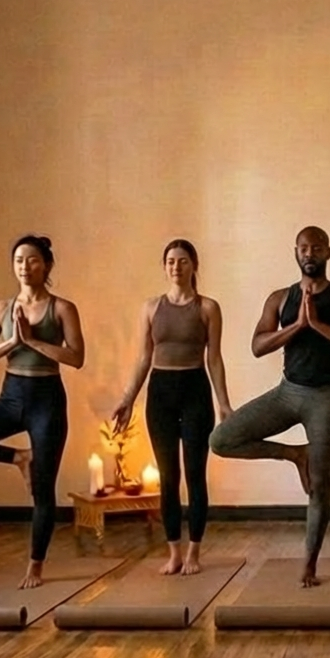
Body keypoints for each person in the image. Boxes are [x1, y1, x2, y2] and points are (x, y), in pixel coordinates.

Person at [210, 226, 330, 587]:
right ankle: (295, 454)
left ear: (328, 252)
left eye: (316, 247)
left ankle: (309, 565)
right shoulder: (279, 298)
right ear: (295, 253)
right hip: (287, 393)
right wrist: (298, 325)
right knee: (221, 440)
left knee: (319, 485)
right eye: (303, 248)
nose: (309, 253)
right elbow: (258, 346)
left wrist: (317, 324)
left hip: (327, 397)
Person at [0, 235, 84, 588]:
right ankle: (18, 457)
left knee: (42, 491)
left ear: (46, 265)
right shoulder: (1, 309)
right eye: (18, 260)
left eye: (32, 260)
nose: (25, 267)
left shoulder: (62, 309)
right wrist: (13, 342)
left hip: (47, 401)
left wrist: (32, 341)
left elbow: (76, 357)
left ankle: (35, 566)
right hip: (11, 398)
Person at [112, 240, 232, 576]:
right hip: (160, 393)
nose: (176, 267)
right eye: (170, 261)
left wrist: (223, 403)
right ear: (164, 267)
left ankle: (194, 552)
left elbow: (214, 359)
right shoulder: (151, 308)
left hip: (195, 390)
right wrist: (127, 398)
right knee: (168, 476)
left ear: (194, 265)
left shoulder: (208, 308)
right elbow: (143, 358)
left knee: (194, 473)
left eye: (182, 261)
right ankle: (174, 553)